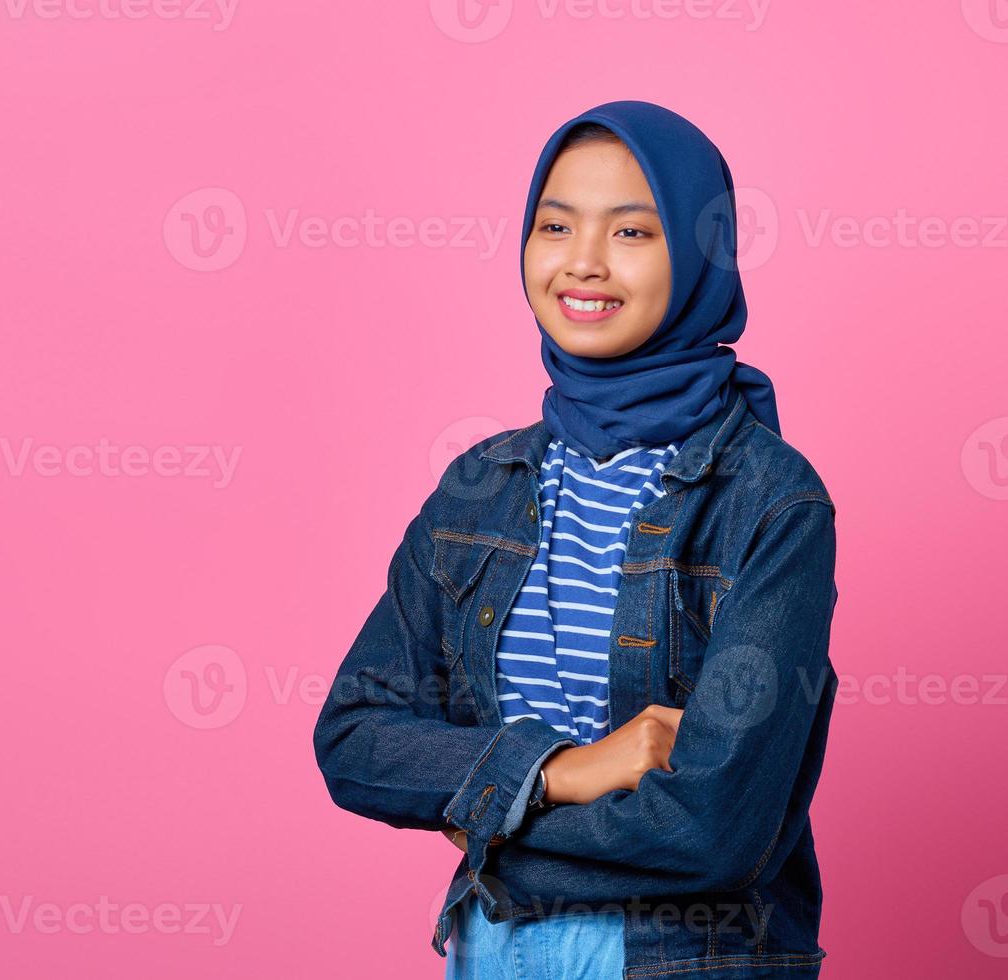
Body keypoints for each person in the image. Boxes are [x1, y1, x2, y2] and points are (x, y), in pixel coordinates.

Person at [312, 100, 840, 979]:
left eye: (632, 231)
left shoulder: (770, 500)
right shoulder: (483, 485)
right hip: (489, 952)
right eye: (554, 225)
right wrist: (556, 770)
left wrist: (485, 818)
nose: (582, 262)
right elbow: (353, 737)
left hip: (680, 957)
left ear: (699, 250)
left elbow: (714, 828)